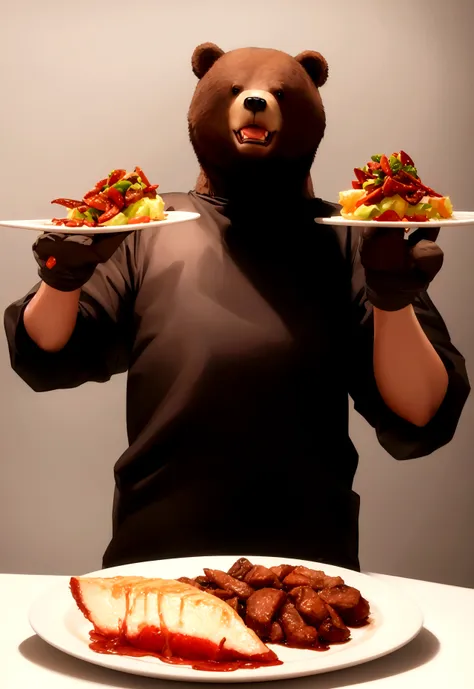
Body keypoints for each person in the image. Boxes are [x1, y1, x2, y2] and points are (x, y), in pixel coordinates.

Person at [4, 44, 470, 570]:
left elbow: (421, 411)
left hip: (309, 558)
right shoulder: (147, 228)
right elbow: (48, 351)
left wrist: (392, 299)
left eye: (278, 93)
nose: (255, 101)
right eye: (236, 92)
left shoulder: (357, 239)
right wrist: (63, 279)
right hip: (157, 546)